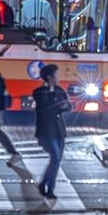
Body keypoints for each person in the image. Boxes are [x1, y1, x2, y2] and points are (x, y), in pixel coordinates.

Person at [32, 63, 71, 198]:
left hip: (59, 130)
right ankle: (48, 188)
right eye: (55, 75)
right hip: (46, 131)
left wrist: (66, 106)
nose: (57, 77)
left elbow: (68, 106)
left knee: (57, 159)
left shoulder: (59, 90)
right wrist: (59, 106)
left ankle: (46, 184)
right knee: (55, 156)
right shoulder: (39, 92)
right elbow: (44, 109)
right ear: (49, 77)